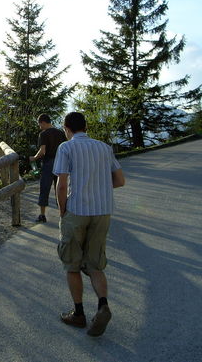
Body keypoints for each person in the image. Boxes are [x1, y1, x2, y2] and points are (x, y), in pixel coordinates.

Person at [53, 111, 125, 337]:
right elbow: (120, 180)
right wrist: (99, 187)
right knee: (95, 264)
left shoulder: (66, 148)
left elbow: (62, 185)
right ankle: (103, 305)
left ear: (67, 128)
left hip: (77, 211)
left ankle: (79, 313)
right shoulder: (104, 148)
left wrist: (62, 209)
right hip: (102, 212)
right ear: (86, 126)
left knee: (72, 264)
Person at [29, 114, 66, 223]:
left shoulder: (43, 134)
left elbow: (42, 151)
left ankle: (42, 215)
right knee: (59, 188)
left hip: (49, 163)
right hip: (60, 163)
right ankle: (62, 214)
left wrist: (34, 158)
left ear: (43, 122)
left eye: (40, 124)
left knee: (44, 188)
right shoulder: (61, 133)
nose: (39, 127)